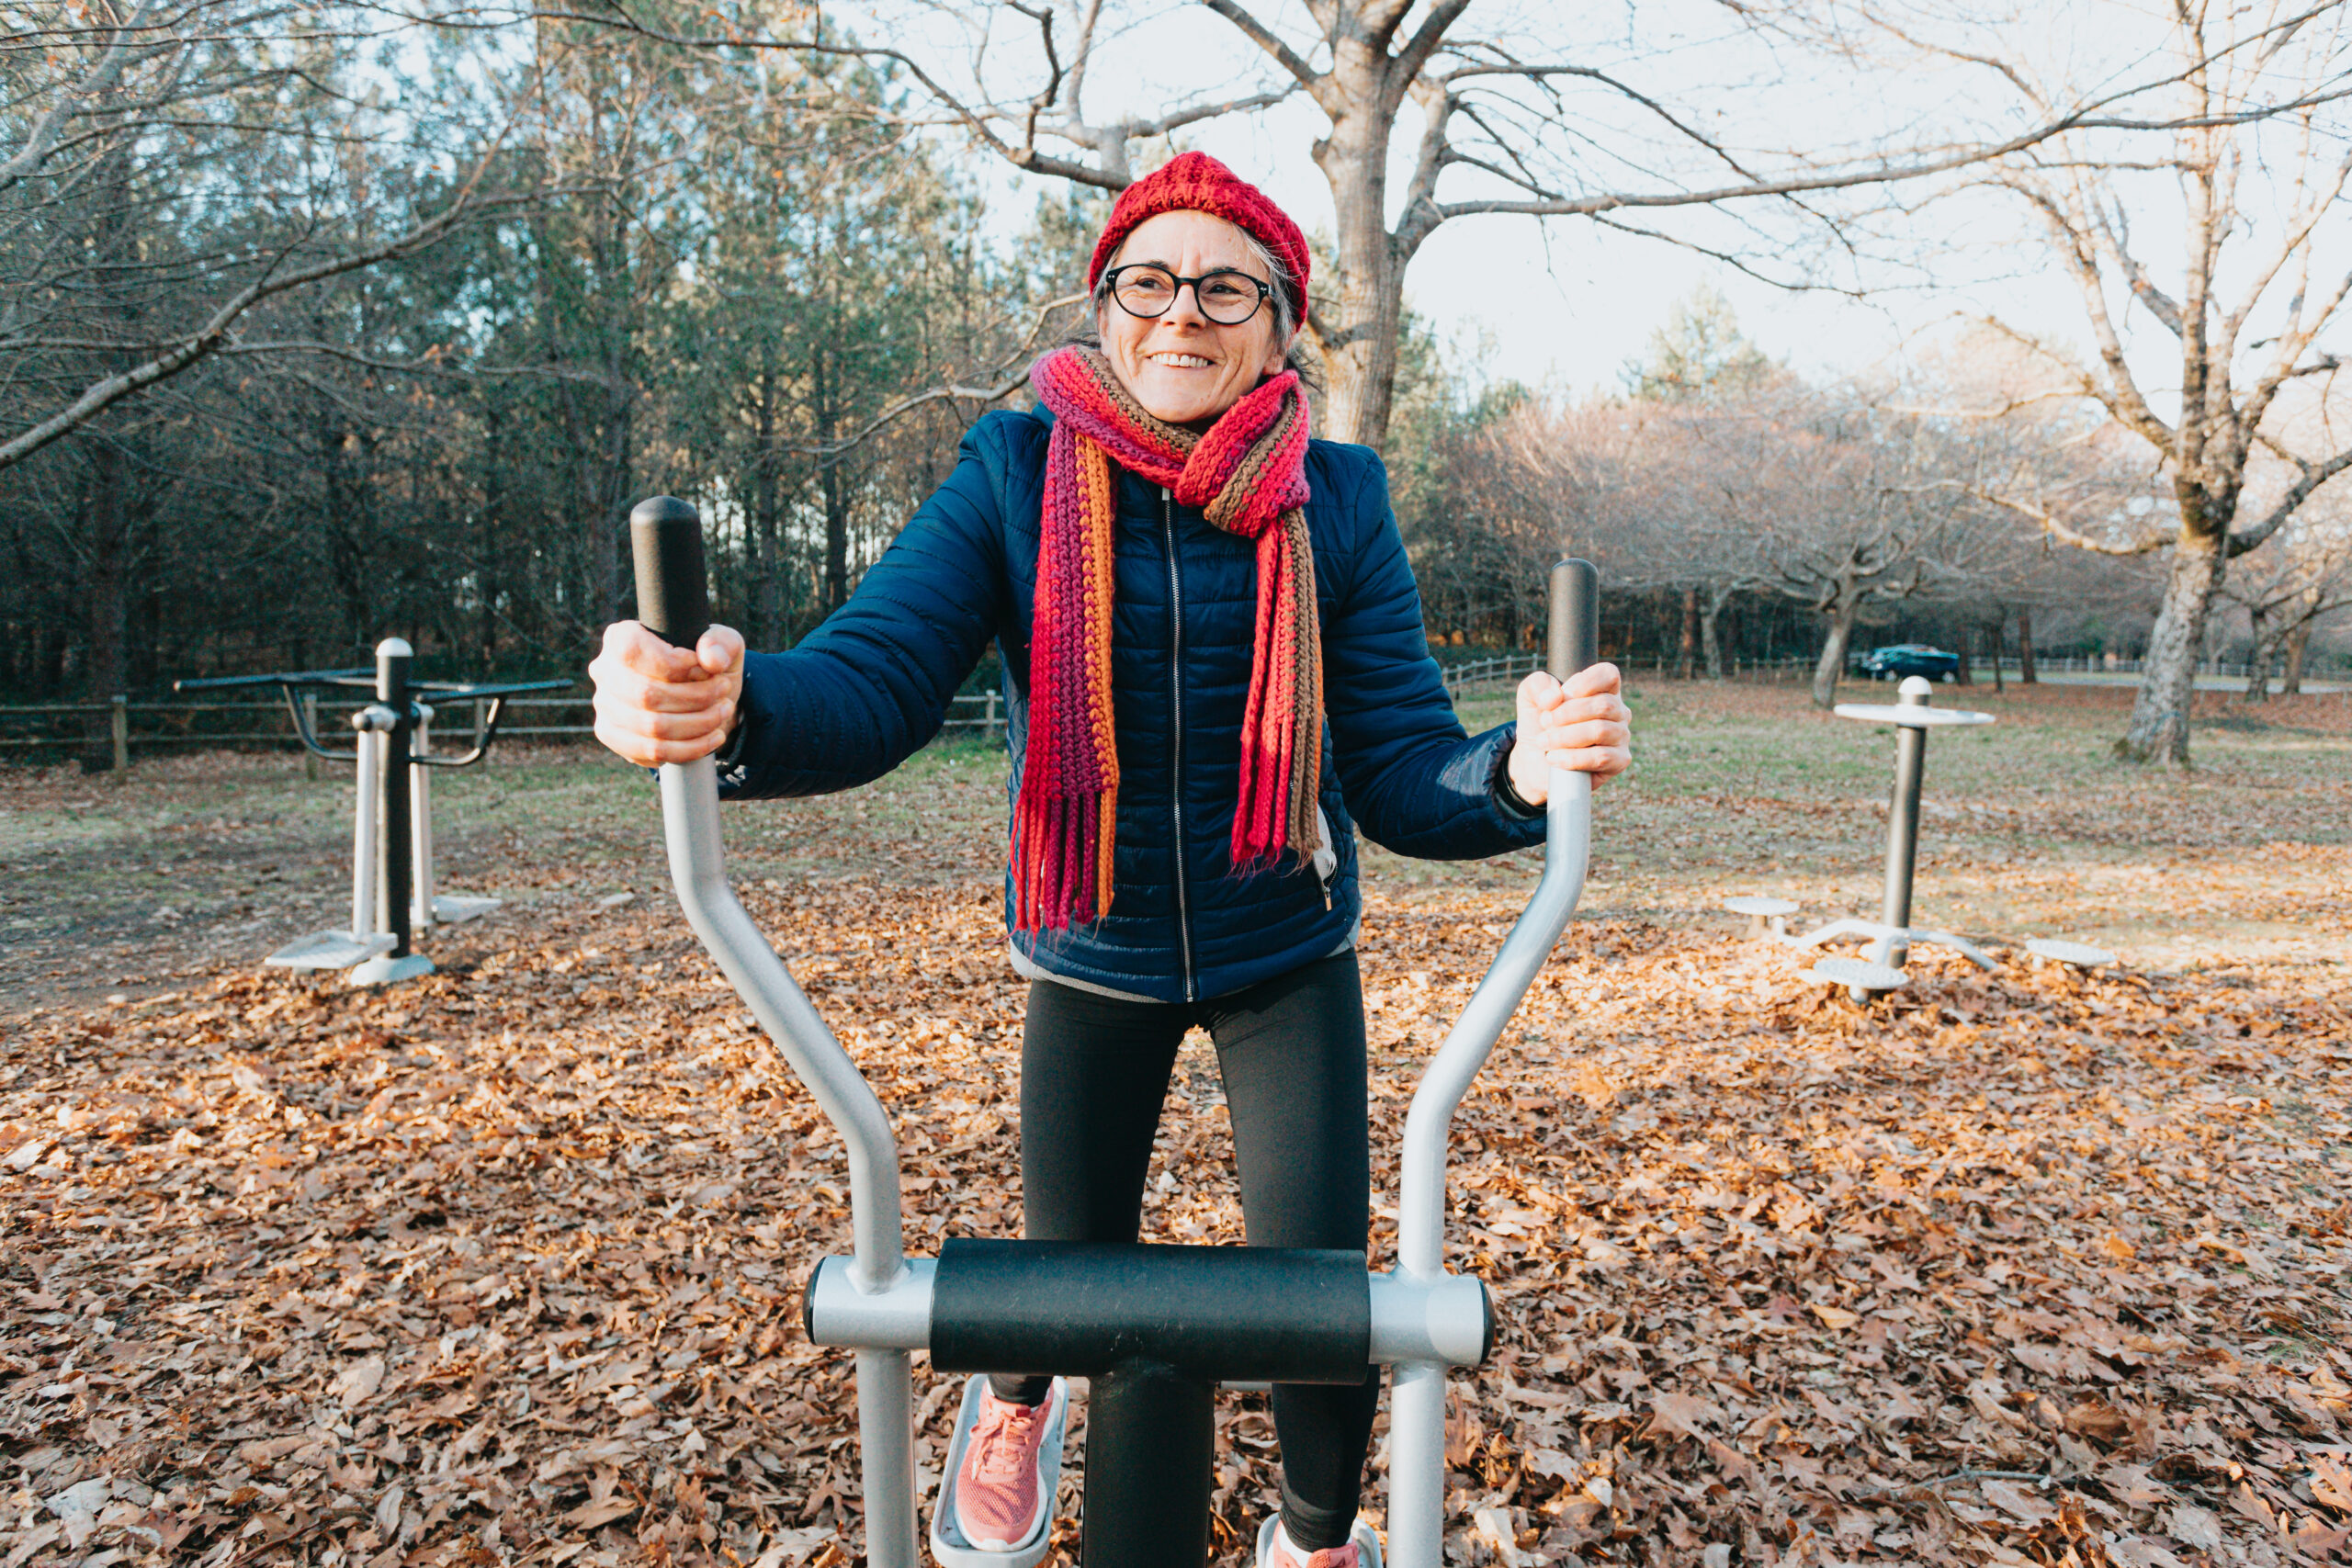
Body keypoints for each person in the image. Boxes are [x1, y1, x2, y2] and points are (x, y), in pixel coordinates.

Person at [592, 152, 1632, 1568]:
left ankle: (1315, 1534)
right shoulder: (1014, 471)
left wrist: (1518, 769)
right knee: (1057, 1276)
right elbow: (876, 676)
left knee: (1323, 1303)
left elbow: (1399, 764)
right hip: (1091, 947)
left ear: (1280, 326)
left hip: (1285, 950)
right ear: (1104, 307)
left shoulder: (1337, 496)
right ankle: (1018, 1405)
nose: (1181, 313)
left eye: (1225, 288)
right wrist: (730, 703)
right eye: (1148, 281)